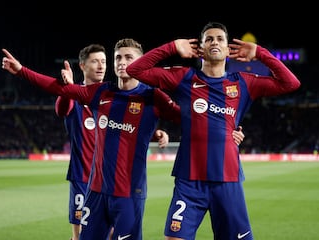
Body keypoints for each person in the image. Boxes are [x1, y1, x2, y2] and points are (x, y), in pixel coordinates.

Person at [2, 38, 245, 240]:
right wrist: (21, 70)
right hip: (95, 193)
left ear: (139, 62)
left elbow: (195, 119)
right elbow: (59, 89)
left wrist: (230, 130)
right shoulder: (101, 92)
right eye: (118, 57)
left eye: (129, 58)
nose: (122, 62)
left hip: (129, 195)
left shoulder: (154, 98)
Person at [126, 22, 301, 240]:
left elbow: (291, 84)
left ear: (228, 50)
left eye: (220, 39)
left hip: (227, 180)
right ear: (200, 49)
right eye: (208, 39)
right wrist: (172, 47)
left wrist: (260, 53)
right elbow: (134, 70)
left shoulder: (243, 83)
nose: (214, 42)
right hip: (189, 180)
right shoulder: (184, 78)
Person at [55, 43, 169, 240]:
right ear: (82, 66)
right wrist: (66, 88)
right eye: (95, 61)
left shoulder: (110, 95)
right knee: (80, 236)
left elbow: (124, 129)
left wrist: (154, 133)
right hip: (84, 178)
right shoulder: (77, 97)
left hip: (114, 180)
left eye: (104, 61)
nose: (101, 66)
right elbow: (61, 108)